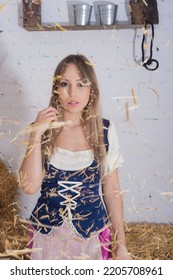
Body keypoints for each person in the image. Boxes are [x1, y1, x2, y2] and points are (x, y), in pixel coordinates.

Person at [19, 54, 130, 260]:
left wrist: (121, 244)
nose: (72, 93)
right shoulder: (42, 130)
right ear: (56, 89)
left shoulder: (104, 130)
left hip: (92, 239)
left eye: (81, 84)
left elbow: (112, 190)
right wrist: (35, 134)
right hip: (47, 239)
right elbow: (29, 187)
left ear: (92, 90)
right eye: (65, 84)